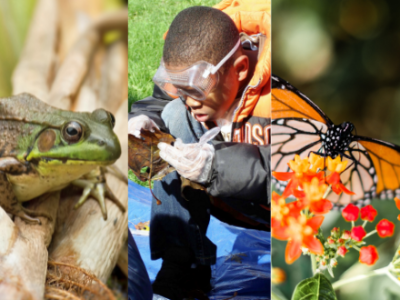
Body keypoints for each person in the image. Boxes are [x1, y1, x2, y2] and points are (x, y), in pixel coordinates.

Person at [129, 2, 271, 299]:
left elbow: (302, 170)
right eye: (181, 91)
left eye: (195, 91)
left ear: (241, 69)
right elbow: (159, 105)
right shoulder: (191, 65)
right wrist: (141, 124)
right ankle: (184, 263)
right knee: (172, 115)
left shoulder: (287, 85)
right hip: (229, 198)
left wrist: (215, 167)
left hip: (280, 206)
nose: (189, 101)